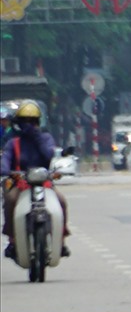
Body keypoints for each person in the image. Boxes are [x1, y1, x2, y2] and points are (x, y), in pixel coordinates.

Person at [1, 101, 68, 257]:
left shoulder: (45, 139)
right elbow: (5, 160)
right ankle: (12, 240)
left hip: (44, 183)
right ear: (19, 123)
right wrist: (5, 170)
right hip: (20, 182)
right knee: (10, 200)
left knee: (62, 201)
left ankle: (61, 241)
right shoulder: (13, 143)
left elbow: (48, 155)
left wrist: (36, 137)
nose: (29, 125)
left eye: (33, 121)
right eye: (25, 121)